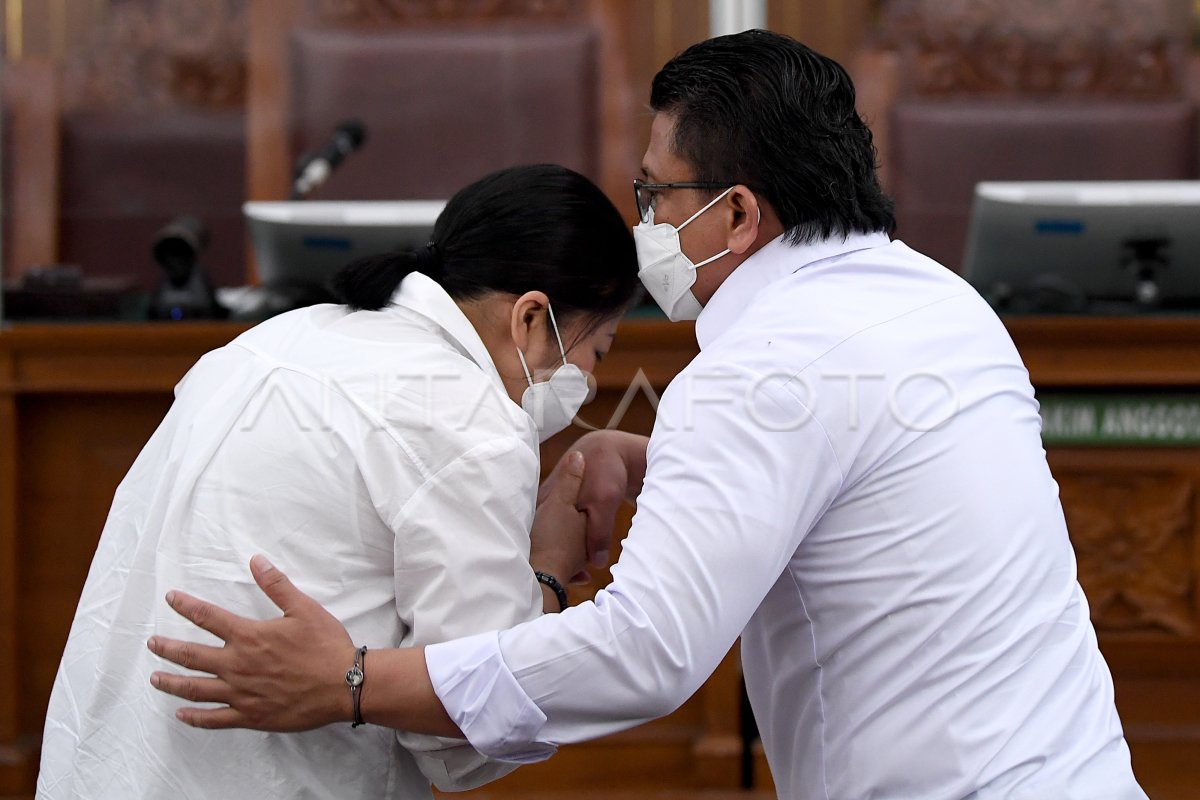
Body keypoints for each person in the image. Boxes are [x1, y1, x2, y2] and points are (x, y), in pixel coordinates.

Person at [147, 30, 1148, 800]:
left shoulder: (757, 367)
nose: (646, 228)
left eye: (655, 195)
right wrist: (676, 455)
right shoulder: (938, 299)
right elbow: (860, 481)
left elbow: (645, 653)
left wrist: (356, 680)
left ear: (740, 214)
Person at [37, 164, 642, 799]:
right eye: (595, 351)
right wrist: (546, 570)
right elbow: (465, 737)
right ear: (529, 319)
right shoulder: (471, 419)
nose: (590, 385)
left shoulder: (273, 339)